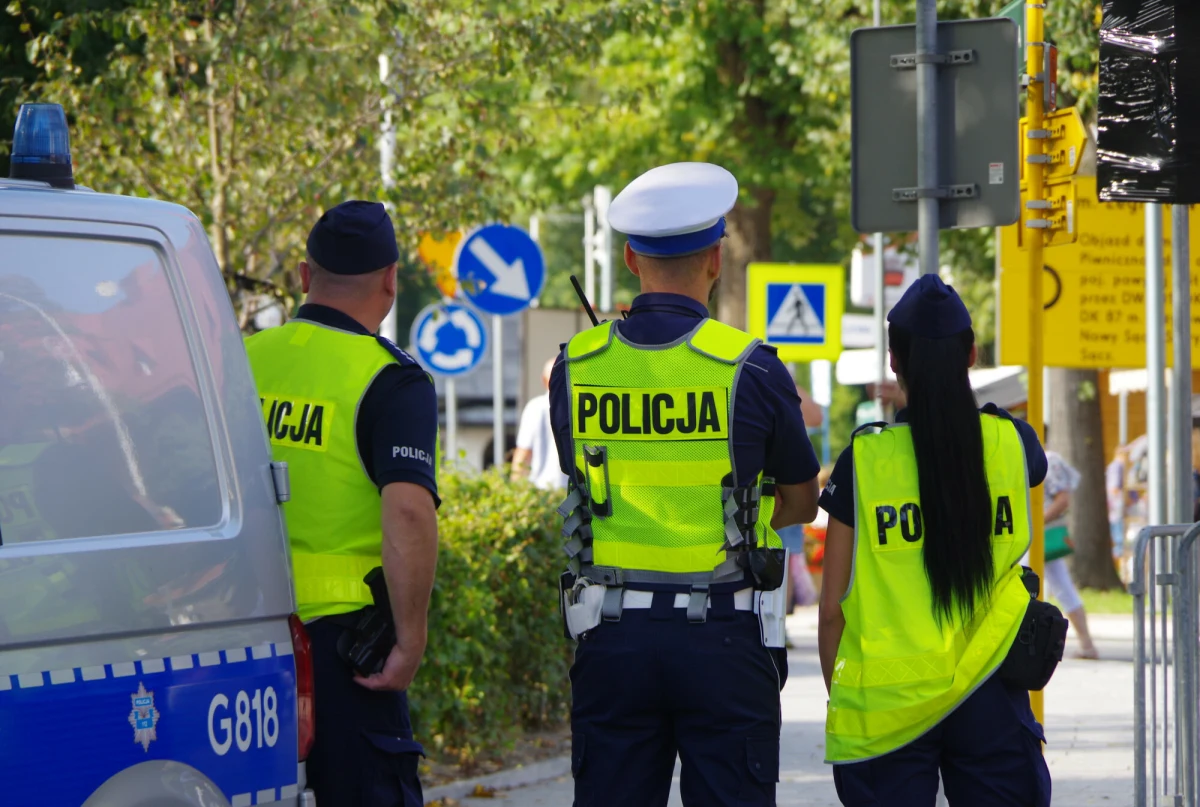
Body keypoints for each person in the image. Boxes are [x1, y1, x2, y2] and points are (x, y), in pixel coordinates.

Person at [548, 162, 822, 806]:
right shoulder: (750, 366)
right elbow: (805, 501)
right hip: (724, 641)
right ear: (715, 260)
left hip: (611, 638)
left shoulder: (575, 366)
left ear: (629, 258)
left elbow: (581, 478)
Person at [817, 274, 1051, 807]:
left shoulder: (865, 462)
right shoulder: (1014, 445)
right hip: (992, 693)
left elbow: (831, 609)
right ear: (970, 354)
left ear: (895, 362)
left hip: (888, 708)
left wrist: (847, 699)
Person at [245, 201, 439, 806]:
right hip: (344, 651)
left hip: (243, 635)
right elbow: (407, 514)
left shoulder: (242, 359)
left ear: (304, 277)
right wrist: (410, 639)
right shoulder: (391, 380)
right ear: (390, 279)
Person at [1042, 447, 1098, 659]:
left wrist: (1036, 522)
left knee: (1060, 585)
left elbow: (1063, 499)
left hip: (1041, 533)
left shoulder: (1050, 460)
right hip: (1038, 532)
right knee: (1060, 585)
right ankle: (1086, 642)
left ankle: (1086, 642)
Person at [513, 357, 568, 489]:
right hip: (572, 493)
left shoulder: (535, 407)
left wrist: (515, 488)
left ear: (544, 380)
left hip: (541, 491)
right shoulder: (578, 407)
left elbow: (524, 453)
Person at [1106, 447, 1128, 560]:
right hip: (1115, 504)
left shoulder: (1113, 466)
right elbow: (1114, 487)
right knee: (1117, 531)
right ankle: (1117, 555)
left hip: (1113, 504)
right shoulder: (1117, 467)